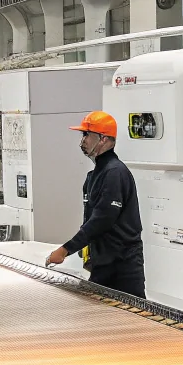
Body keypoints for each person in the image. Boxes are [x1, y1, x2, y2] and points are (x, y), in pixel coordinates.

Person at [46, 111, 145, 297]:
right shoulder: (94, 176)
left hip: (123, 265)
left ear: (103, 140)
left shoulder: (115, 173)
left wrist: (65, 249)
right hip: (103, 262)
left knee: (135, 318)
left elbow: (102, 219)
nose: (82, 141)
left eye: (86, 135)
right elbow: (91, 219)